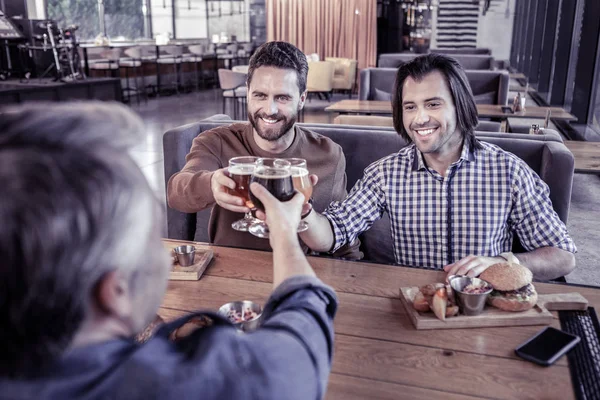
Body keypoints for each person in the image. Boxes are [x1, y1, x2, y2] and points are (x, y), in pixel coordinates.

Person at [0, 102, 337, 399]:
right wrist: (284, 233)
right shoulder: (196, 385)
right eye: (153, 240)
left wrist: (165, 331)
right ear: (115, 292)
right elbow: (303, 340)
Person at [297, 54, 576, 281]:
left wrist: (501, 263)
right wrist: (303, 214)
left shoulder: (509, 172)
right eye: (410, 107)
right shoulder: (384, 174)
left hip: (484, 308)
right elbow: (334, 233)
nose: (419, 119)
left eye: (432, 104)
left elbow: (563, 256)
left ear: (460, 105)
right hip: (414, 309)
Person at [167, 41, 360, 259]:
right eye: (260, 95)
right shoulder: (218, 141)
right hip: (230, 273)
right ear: (248, 93)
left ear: (302, 99)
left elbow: (344, 236)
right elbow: (176, 193)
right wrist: (210, 183)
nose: (270, 110)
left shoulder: (329, 154)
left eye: (283, 97)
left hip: (297, 275)